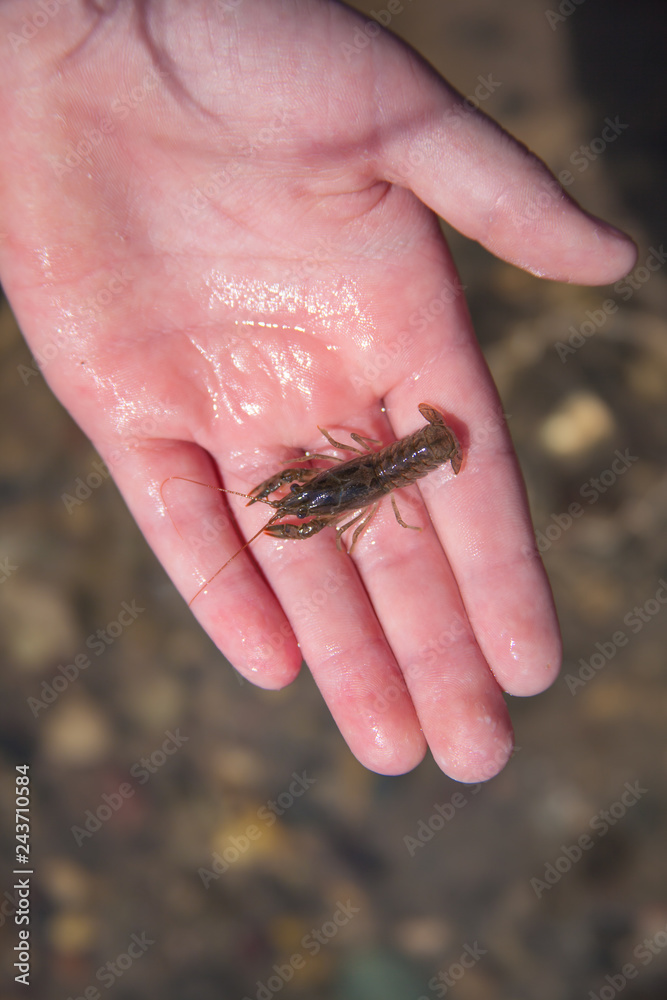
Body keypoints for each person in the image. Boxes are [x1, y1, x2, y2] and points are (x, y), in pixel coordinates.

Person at [0, 0, 636, 782]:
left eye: (293, 500)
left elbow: (346, 490)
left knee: (346, 505)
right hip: (388, 465)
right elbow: (340, 489)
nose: (291, 503)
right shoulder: (333, 489)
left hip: (398, 460)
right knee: (340, 502)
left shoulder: (356, 482)